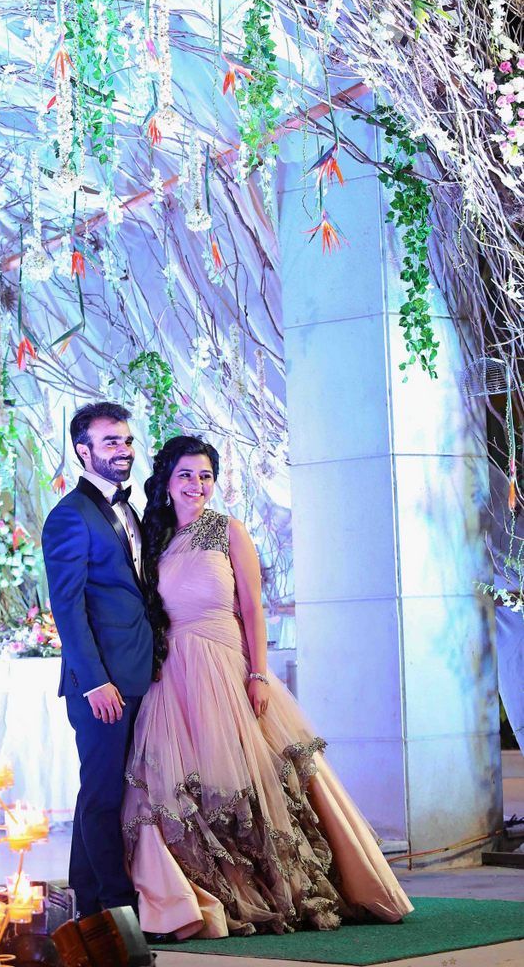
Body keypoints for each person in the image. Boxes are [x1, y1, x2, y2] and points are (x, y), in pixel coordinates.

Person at [122, 434, 413, 940]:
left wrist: (258, 673)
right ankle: (202, 894)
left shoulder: (228, 530)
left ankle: (285, 885)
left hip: (227, 663)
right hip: (175, 673)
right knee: (182, 785)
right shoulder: (157, 538)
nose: (197, 485)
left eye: (205, 475)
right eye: (186, 475)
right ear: (166, 481)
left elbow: (254, 608)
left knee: (253, 777)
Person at [42, 402, 154, 919]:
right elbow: (67, 606)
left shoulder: (128, 508)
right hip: (100, 684)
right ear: (83, 450)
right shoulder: (69, 516)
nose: (124, 451)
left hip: (135, 672)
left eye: (127, 441)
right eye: (111, 442)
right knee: (102, 795)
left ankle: (88, 906)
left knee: (105, 791)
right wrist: (95, 682)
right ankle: (116, 904)